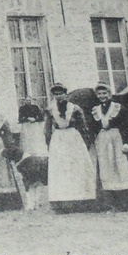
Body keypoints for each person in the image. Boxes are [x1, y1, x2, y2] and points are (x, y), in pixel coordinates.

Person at [89, 83, 128, 211]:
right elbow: (93, 128)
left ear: (110, 94)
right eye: (99, 94)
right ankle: (109, 204)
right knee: (106, 170)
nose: (102, 96)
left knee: (124, 169)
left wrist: (127, 142)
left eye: (105, 93)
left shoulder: (118, 108)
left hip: (118, 140)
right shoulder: (96, 110)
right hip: (103, 141)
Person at [45, 83, 98, 213]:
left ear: (65, 94)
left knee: (76, 166)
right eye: (56, 94)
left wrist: (85, 141)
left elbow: (83, 125)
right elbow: (47, 128)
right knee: (61, 168)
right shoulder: (50, 110)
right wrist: (48, 142)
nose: (59, 96)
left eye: (61, 93)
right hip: (58, 139)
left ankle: (82, 200)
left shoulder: (75, 108)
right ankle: (62, 202)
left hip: (73, 138)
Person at [15, 101, 48, 209]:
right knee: (28, 143)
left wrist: (35, 119)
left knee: (37, 143)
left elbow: (41, 118)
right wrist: (26, 120)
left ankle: (38, 160)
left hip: (36, 128)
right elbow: (20, 119)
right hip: (27, 128)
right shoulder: (22, 110)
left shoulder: (36, 110)